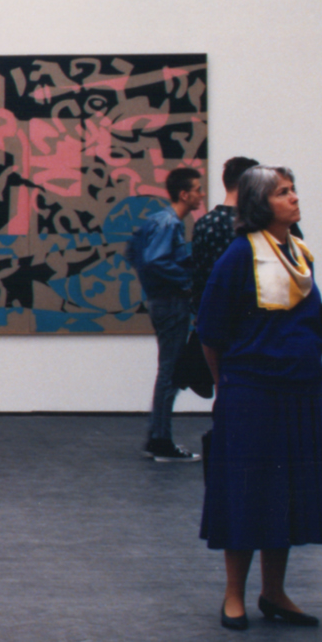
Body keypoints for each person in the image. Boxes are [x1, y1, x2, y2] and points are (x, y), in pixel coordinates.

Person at [196, 165, 322, 630]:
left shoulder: (298, 252)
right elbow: (211, 331)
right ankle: (233, 595)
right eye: (282, 192)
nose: (294, 198)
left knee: (286, 492)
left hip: (300, 389)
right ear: (260, 204)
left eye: (293, 190)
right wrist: (226, 386)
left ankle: (274, 592)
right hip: (252, 390)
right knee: (246, 491)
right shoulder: (239, 255)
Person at [128, 166, 206, 461]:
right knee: (170, 371)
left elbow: (135, 253)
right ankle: (160, 440)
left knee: (168, 370)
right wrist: (186, 281)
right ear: (184, 194)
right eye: (197, 189)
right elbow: (155, 260)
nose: (201, 194)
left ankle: (157, 437)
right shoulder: (171, 223)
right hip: (171, 303)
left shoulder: (157, 220)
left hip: (161, 301)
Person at [188, 156, 259, 307]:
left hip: (211, 307)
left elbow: (198, 274)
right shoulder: (253, 223)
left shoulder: (203, 223)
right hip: (246, 309)